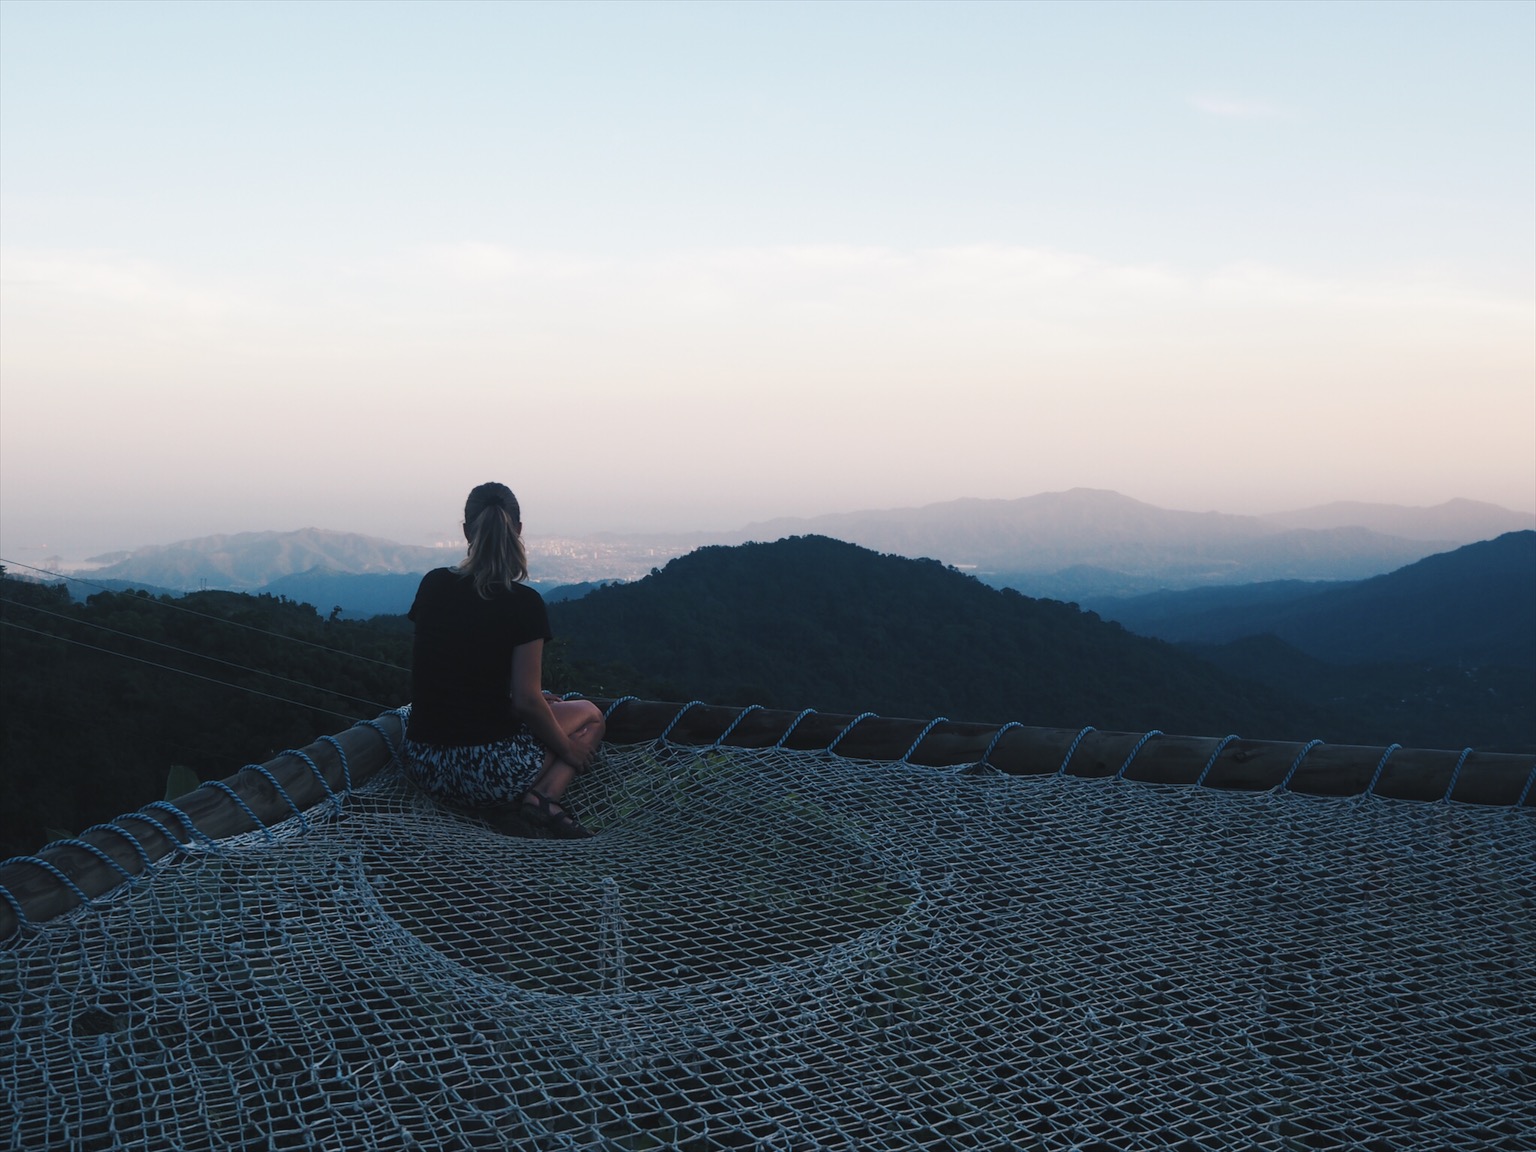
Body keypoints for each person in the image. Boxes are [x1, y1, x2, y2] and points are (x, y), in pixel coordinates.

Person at [402, 482, 606, 838]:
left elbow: (455, 673)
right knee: (591, 714)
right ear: (519, 531)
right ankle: (543, 798)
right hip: (486, 775)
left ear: (466, 531)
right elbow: (527, 701)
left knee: (549, 711)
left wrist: (515, 700)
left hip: (425, 766)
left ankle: (526, 803)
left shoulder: (432, 585)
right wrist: (569, 751)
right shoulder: (524, 604)